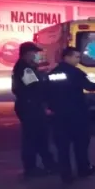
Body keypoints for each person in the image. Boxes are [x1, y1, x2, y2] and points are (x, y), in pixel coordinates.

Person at [47, 46, 95, 183]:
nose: (78, 60)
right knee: (80, 143)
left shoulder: (52, 74)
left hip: (58, 115)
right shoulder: (75, 72)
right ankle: (83, 169)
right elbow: (89, 86)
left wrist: (50, 107)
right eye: (76, 57)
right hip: (76, 114)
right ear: (67, 57)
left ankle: (66, 175)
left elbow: (46, 92)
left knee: (62, 146)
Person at [11, 42, 57, 178]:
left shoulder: (27, 67)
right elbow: (33, 87)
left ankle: (48, 164)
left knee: (39, 136)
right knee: (32, 138)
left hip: (30, 105)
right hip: (30, 107)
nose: (36, 55)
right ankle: (31, 168)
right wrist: (43, 79)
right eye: (34, 53)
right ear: (27, 53)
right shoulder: (24, 68)